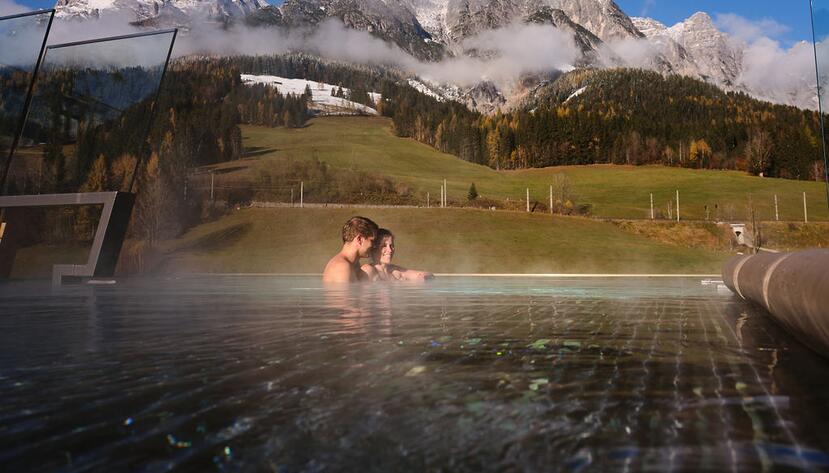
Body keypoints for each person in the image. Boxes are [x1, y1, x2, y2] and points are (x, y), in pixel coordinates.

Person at [361, 228, 434, 282]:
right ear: (374, 248)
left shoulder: (395, 271)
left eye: (391, 245)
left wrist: (423, 278)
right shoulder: (368, 270)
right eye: (384, 246)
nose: (390, 250)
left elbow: (429, 275)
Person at [322, 216, 378, 283]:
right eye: (372, 241)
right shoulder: (342, 267)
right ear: (359, 239)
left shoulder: (354, 264)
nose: (374, 246)